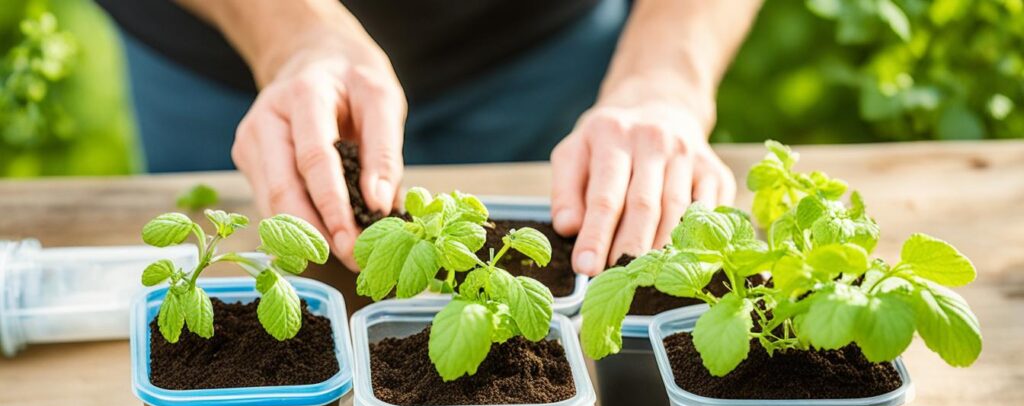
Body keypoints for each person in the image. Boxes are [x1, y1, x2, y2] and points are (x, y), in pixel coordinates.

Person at [97, 0, 762, 274]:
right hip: (224, 60)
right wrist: (289, 34)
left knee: (587, 241)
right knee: (249, 262)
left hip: (543, 47)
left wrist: (666, 77)